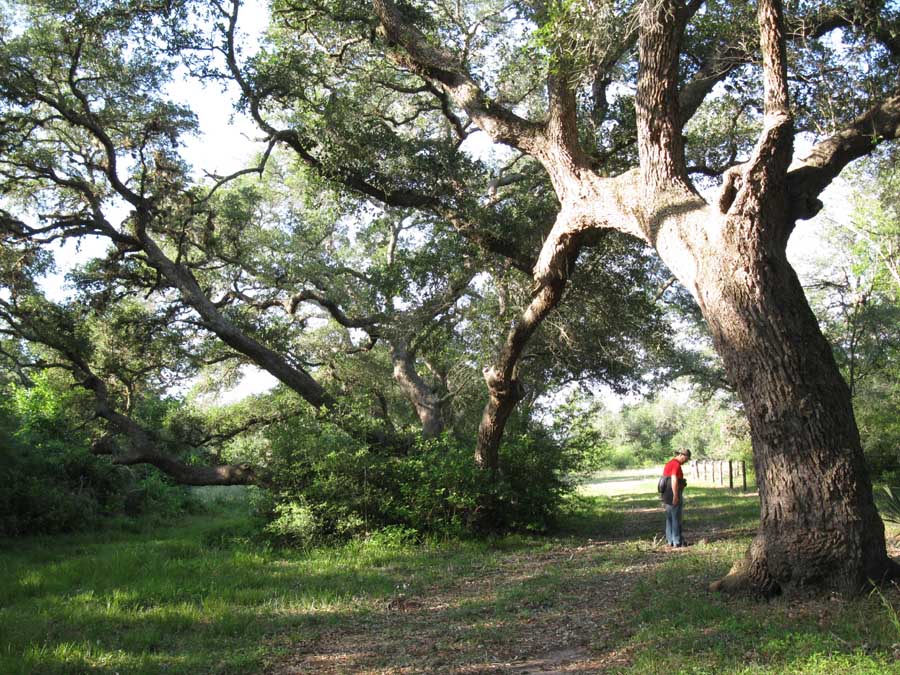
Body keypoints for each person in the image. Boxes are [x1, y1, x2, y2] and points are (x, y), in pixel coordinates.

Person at [661, 448, 691, 548]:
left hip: (666, 494)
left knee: (669, 518)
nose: (686, 461)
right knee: (676, 517)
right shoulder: (676, 464)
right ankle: (677, 541)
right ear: (682, 455)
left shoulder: (669, 463)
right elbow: (673, 479)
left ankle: (670, 541)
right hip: (672, 493)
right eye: (686, 459)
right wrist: (676, 495)